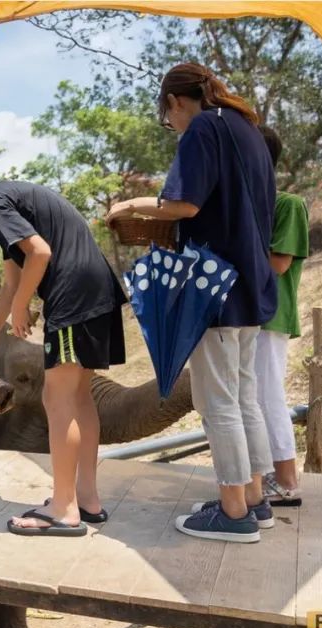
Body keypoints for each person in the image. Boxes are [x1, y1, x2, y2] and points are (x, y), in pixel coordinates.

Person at [106, 62, 277, 543]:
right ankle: (254, 500)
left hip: (215, 288)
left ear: (176, 102)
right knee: (244, 397)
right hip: (251, 284)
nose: (173, 124)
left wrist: (130, 205)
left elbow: (185, 205)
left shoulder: (204, 126)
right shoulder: (246, 127)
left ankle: (233, 513)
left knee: (217, 402)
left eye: (168, 117)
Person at [0, 163, 127, 537]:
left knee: (57, 399)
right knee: (79, 397)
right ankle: (87, 500)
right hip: (97, 291)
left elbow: (40, 253)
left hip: (74, 296)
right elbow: (11, 284)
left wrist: (22, 305)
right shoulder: (11, 201)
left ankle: (64, 509)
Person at [255, 125, 309, 506]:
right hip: (247, 316)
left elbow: (278, 263)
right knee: (253, 398)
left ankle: (287, 481)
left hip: (269, 314)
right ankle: (265, 477)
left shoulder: (288, 204)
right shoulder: (251, 207)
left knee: (268, 394)